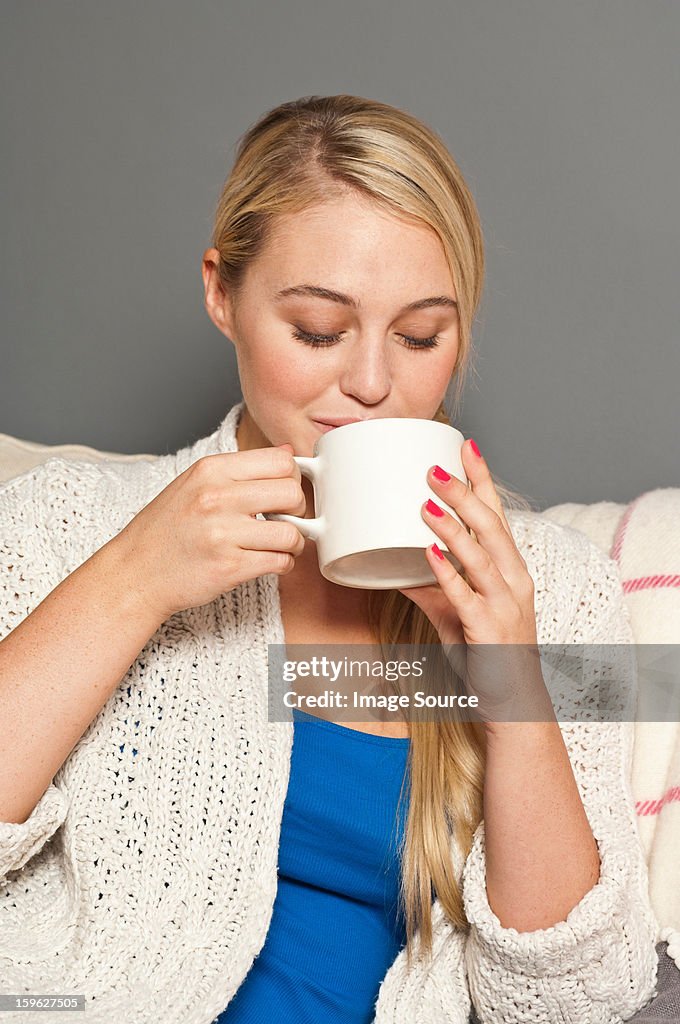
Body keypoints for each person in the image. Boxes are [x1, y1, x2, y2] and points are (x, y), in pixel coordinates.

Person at [0, 94, 661, 1023]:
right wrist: (134, 580)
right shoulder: (66, 524)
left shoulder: (554, 591)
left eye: (422, 336)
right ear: (221, 294)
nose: (373, 384)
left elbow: (577, 1003)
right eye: (318, 330)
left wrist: (509, 676)